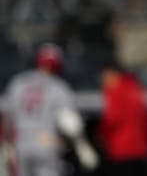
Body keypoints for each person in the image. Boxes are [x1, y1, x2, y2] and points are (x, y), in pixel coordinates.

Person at [3, 43, 98, 176]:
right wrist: (82, 146)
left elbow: (8, 118)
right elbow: (71, 123)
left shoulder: (19, 83)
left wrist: (7, 144)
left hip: (22, 144)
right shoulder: (58, 87)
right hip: (46, 142)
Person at [98, 59, 147, 176]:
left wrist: (100, 135)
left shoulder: (115, 91)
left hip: (121, 151)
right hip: (141, 150)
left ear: (112, 74)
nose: (103, 81)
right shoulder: (136, 88)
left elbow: (112, 119)